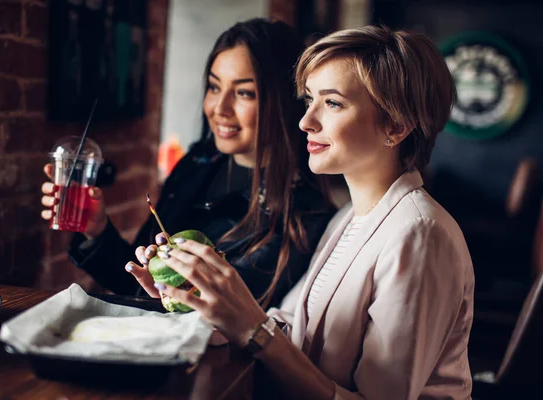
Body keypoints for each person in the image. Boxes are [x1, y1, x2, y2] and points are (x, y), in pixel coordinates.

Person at [129, 25, 474, 399]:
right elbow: (292, 330)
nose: (305, 121)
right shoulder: (350, 217)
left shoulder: (419, 234)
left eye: (332, 103)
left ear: (396, 125)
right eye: (309, 99)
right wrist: (200, 302)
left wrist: (252, 328)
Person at [41, 18, 335, 308]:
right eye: (214, 87)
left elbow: (229, 318)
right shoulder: (198, 161)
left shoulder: (302, 211)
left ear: (284, 100)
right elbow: (139, 285)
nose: (220, 109)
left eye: (244, 93)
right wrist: (97, 230)